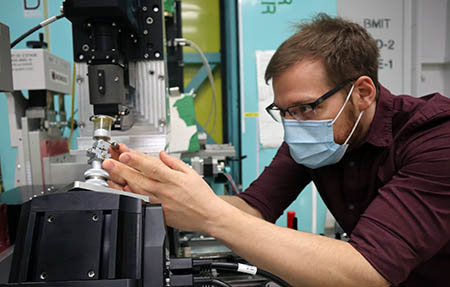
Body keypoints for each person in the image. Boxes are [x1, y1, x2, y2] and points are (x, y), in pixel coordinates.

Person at [102, 13, 450, 286]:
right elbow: (252, 209)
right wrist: (159, 192)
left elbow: (367, 270)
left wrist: (206, 213)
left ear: (362, 93)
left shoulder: (436, 138)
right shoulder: (314, 134)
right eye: (283, 112)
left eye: (305, 108)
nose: (293, 124)